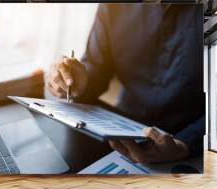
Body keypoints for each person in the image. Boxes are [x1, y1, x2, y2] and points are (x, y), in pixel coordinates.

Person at [47, 4, 205, 163]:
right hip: (122, 128)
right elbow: (96, 68)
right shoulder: (111, 7)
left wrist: (185, 143)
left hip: (193, 137)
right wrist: (76, 83)